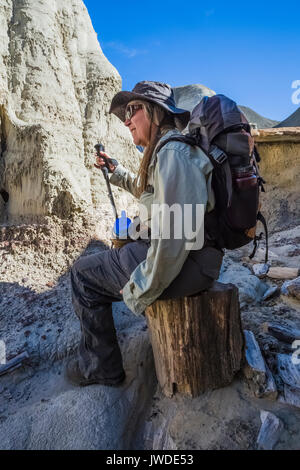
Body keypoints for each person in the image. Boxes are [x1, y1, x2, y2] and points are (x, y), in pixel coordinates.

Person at [66, 81, 224, 387]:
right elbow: (149, 191)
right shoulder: (167, 150)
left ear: (154, 112)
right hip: (191, 259)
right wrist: (117, 171)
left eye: (132, 110)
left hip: (188, 264)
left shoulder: (174, 154)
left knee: (83, 275)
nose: (126, 120)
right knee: (110, 254)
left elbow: (175, 237)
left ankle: (102, 369)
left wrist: (142, 288)